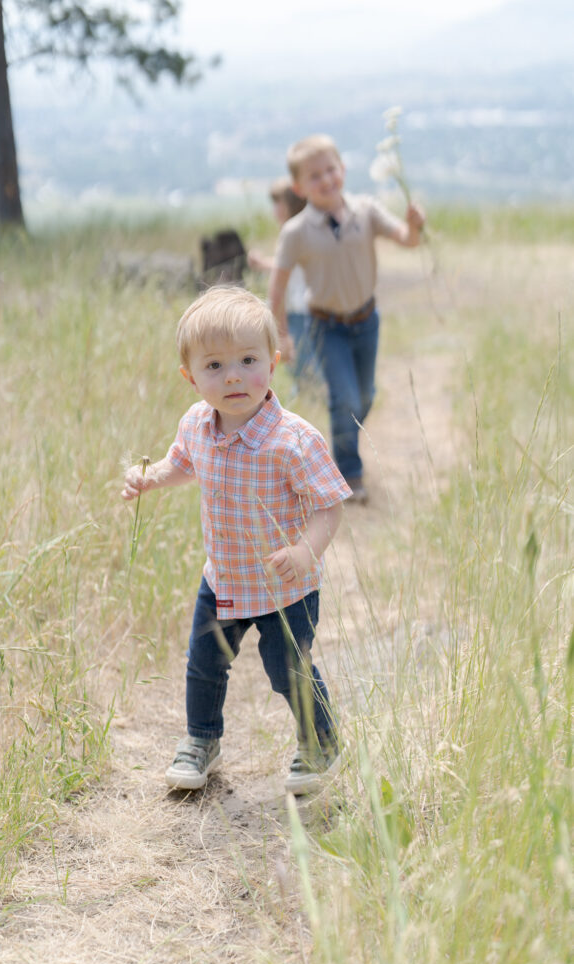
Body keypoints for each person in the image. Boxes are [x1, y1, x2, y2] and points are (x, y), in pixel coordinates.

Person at [122, 286, 351, 796]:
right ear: (191, 377)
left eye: (248, 361)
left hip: (282, 585)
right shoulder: (196, 425)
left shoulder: (293, 439)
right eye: (215, 366)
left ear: (271, 363)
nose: (233, 376)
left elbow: (328, 504)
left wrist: (305, 551)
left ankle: (320, 741)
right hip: (222, 578)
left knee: (287, 668)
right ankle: (202, 741)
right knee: (204, 664)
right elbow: (180, 465)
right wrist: (149, 479)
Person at [269, 133, 425, 502]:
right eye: (314, 176)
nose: (326, 180)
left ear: (343, 169)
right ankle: (348, 476)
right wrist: (283, 335)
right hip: (326, 326)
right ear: (299, 186)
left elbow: (407, 239)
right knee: (346, 400)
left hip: (367, 322)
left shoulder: (366, 211)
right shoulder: (296, 232)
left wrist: (415, 224)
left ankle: (342, 441)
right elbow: (276, 288)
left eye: (330, 170)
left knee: (364, 397)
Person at [248, 178, 318, 386]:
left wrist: (262, 263)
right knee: (299, 363)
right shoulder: (301, 230)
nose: (275, 209)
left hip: (299, 306)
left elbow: (289, 267)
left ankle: (306, 402)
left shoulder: (296, 232)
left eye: (279, 203)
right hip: (296, 305)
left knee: (300, 363)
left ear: (291, 204)